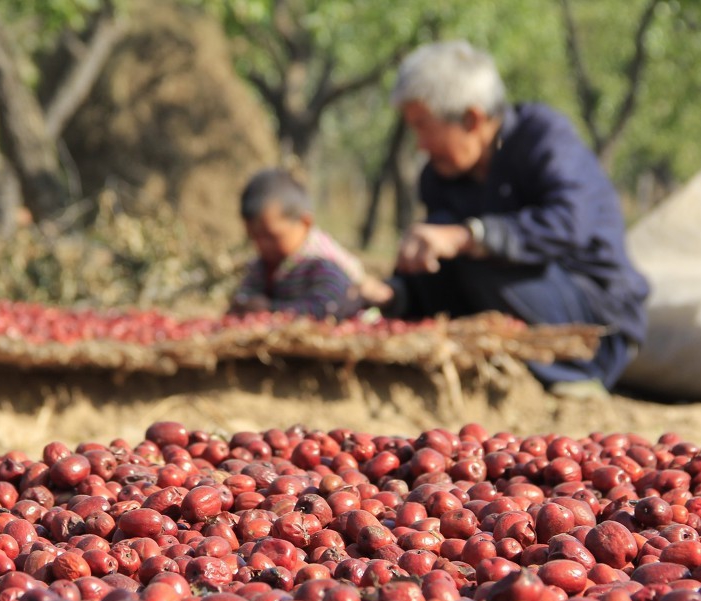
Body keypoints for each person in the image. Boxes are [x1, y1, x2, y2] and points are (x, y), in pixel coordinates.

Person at [375, 40, 650, 398]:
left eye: (423, 126)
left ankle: (574, 375)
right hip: (509, 309)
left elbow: (568, 223)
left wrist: (468, 237)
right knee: (440, 238)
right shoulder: (440, 176)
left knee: (474, 252)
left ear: (472, 118)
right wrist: (395, 291)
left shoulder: (544, 138)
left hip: (595, 322)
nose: (420, 144)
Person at [227, 168, 380, 320]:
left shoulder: (323, 261)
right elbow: (248, 293)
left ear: (305, 223)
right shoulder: (265, 264)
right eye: (254, 237)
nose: (262, 245)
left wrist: (270, 308)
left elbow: (327, 308)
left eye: (271, 236)